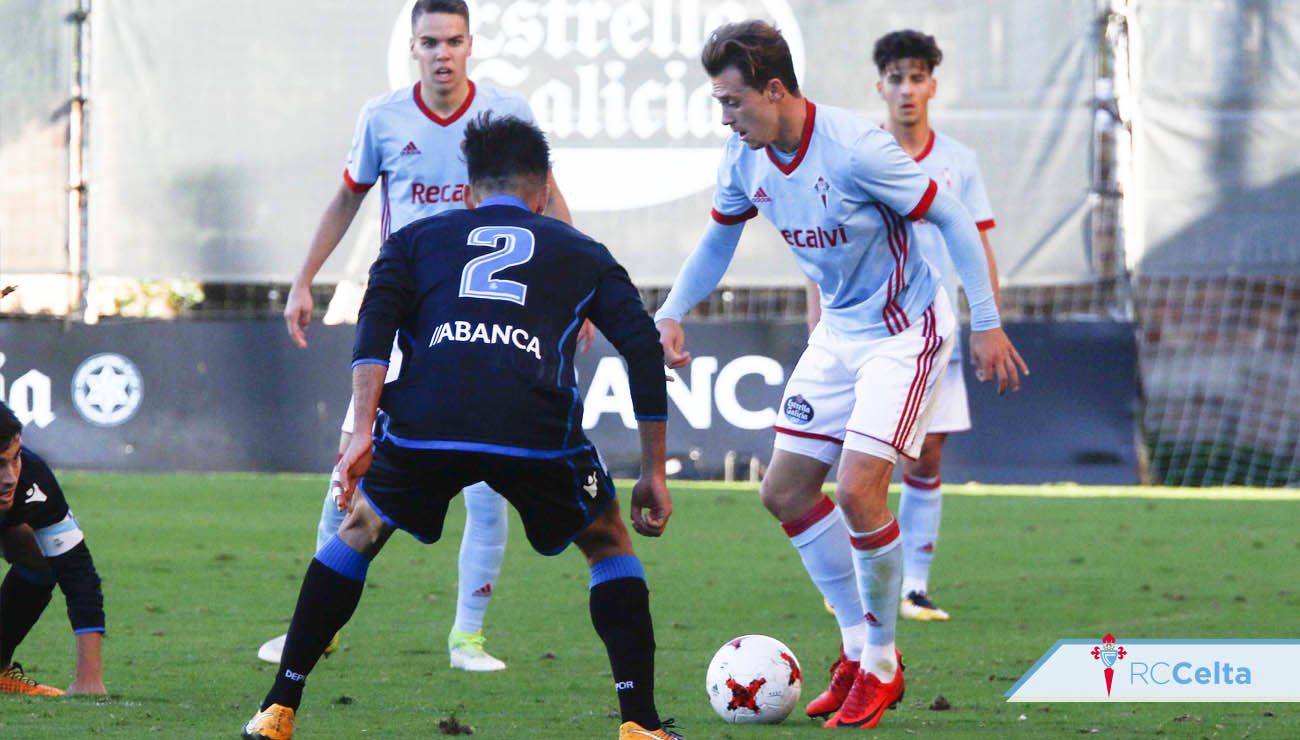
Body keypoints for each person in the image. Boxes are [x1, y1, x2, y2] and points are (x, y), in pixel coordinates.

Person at [241, 114, 680, 740]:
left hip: (428, 422)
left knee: (359, 529)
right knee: (608, 540)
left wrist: (362, 431)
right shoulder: (583, 251)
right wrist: (654, 470)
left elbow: (374, 330)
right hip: (533, 428)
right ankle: (640, 723)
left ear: (470, 191)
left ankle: (278, 708)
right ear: (543, 190)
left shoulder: (415, 239)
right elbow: (642, 347)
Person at [655, 21, 1026, 729]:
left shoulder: (856, 149)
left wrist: (986, 320)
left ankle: (882, 664)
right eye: (719, 104)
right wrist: (672, 310)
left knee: (858, 491)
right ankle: (858, 650)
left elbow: (951, 217)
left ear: (774, 90)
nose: (725, 118)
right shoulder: (744, 159)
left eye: (732, 102)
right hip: (839, 334)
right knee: (784, 490)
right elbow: (716, 242)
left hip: (905, 333)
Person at [265, 0, 584, 673]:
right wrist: (303, 280)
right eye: (430, 42)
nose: (443, 54)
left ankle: (468, 636)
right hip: (405, 312)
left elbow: (549, 197)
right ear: (412, 48)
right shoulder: (383, 117)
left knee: (487, 481)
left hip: (485, 318)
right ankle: (318, 629)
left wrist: (578, 290)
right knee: (350, 463)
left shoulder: (505, 112)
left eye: (454, 41)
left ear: (471, 45)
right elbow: (348, 198)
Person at [806, 30, 1001, 623]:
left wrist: (988, 321)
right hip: (862, 332)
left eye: (917, 78)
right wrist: (817, 323)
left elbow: (978, 243)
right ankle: (854, 579)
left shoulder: (958, 162)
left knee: (926, 459)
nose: (907, 89)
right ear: (880, 87)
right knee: (857, 465)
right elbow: (821, 247)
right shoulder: (858, 155)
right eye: (896, 78)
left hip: (932, 331)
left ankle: (914, 586)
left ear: (932, 86)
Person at [0, 401, 106, 697]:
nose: (9, 477)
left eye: (14, 458)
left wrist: (89, 679)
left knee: (41, 554)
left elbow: (78, 572)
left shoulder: (34, 479)